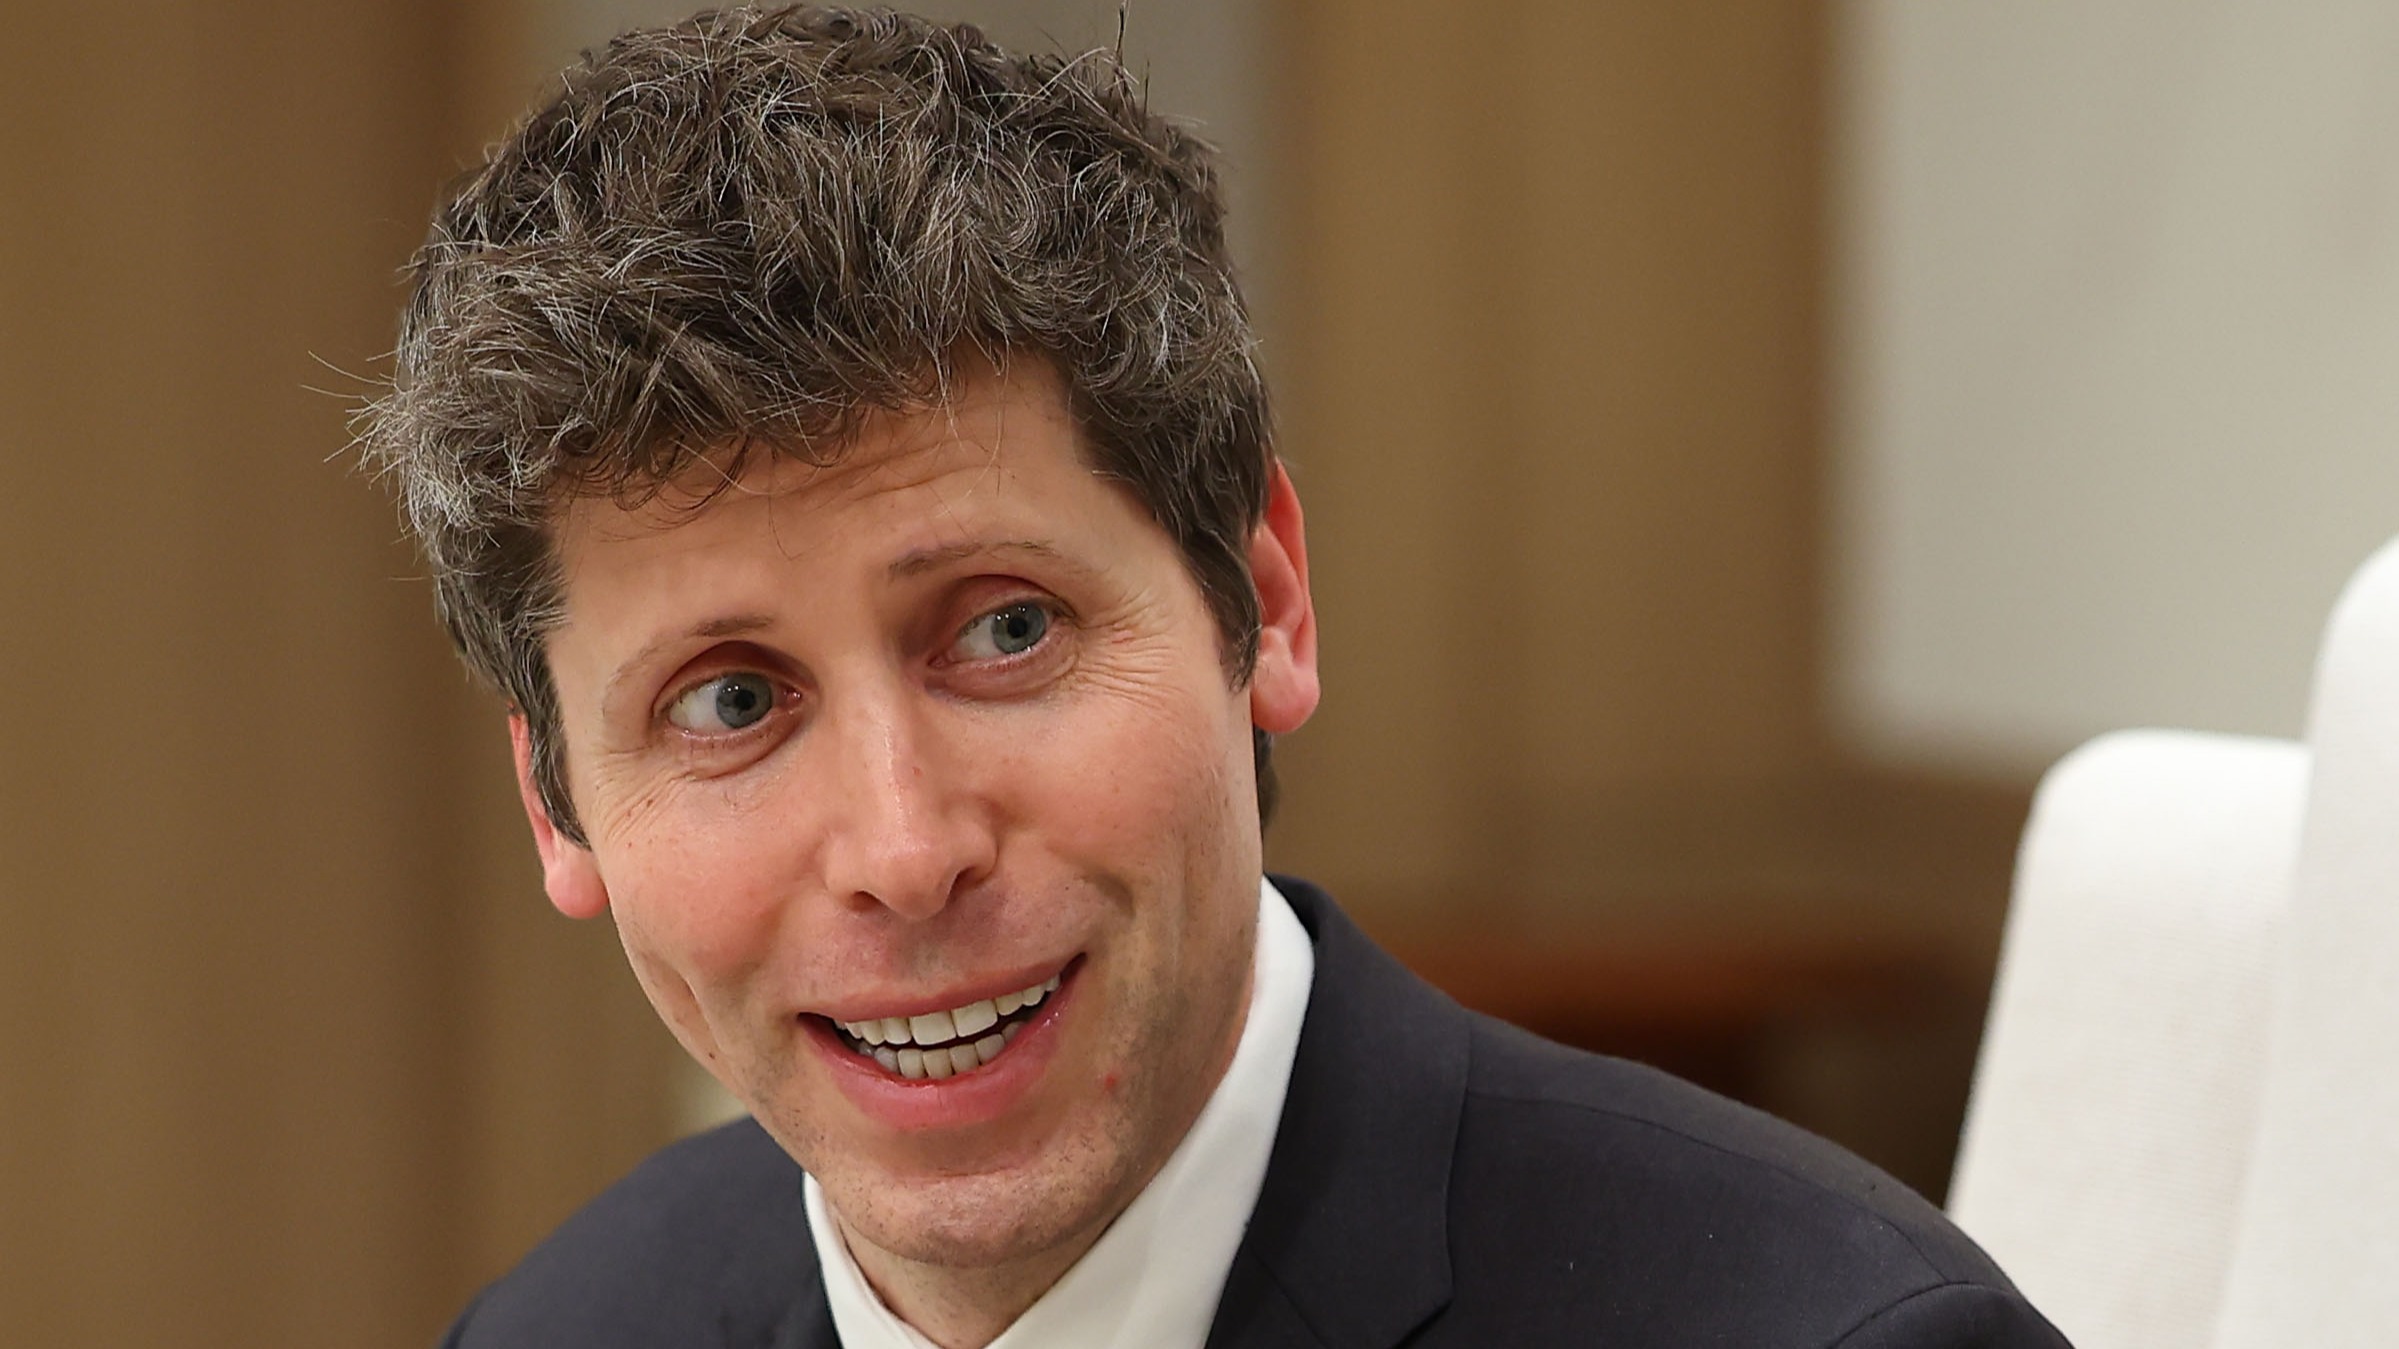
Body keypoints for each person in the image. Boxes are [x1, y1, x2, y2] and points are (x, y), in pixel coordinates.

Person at [360, 7, 2069, 1347]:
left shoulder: (1847, 1336)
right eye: (731, 702)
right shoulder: (560, 1330)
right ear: (557, 802)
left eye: (1006, 629)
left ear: (1267, 601)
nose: (905, 846)